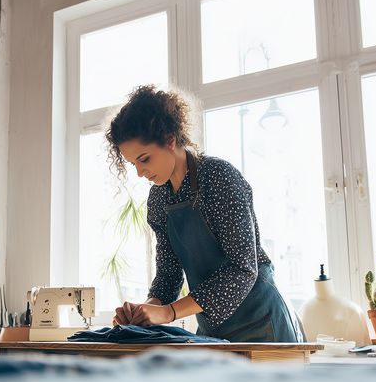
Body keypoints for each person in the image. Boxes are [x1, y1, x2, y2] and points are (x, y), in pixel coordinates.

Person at [105, 85, 303, 342]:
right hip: (215, 330)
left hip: (262, 322)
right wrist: (145, 312)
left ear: (169, 139)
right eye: (133, 164)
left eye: (145, 159)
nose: (140, 173)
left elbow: (243, 269)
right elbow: (168, 275)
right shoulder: (158, 199)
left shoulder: (219, 177)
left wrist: (170, 312)